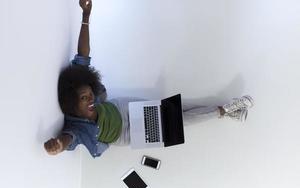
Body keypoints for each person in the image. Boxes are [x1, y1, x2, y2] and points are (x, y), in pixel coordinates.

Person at [44, 0, 254, 158]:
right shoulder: (77, 128)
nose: (90, 100)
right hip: (125, 134)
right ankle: (226, 109)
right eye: (84, 99)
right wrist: (58, 145)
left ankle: (228, 112)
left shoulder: (79, 81)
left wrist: (86, 15)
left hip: (122, 108)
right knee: (178, 123)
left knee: (177, 108)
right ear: (72, 104)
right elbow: (68, 139)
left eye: (90, 94)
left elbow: (83, 55)